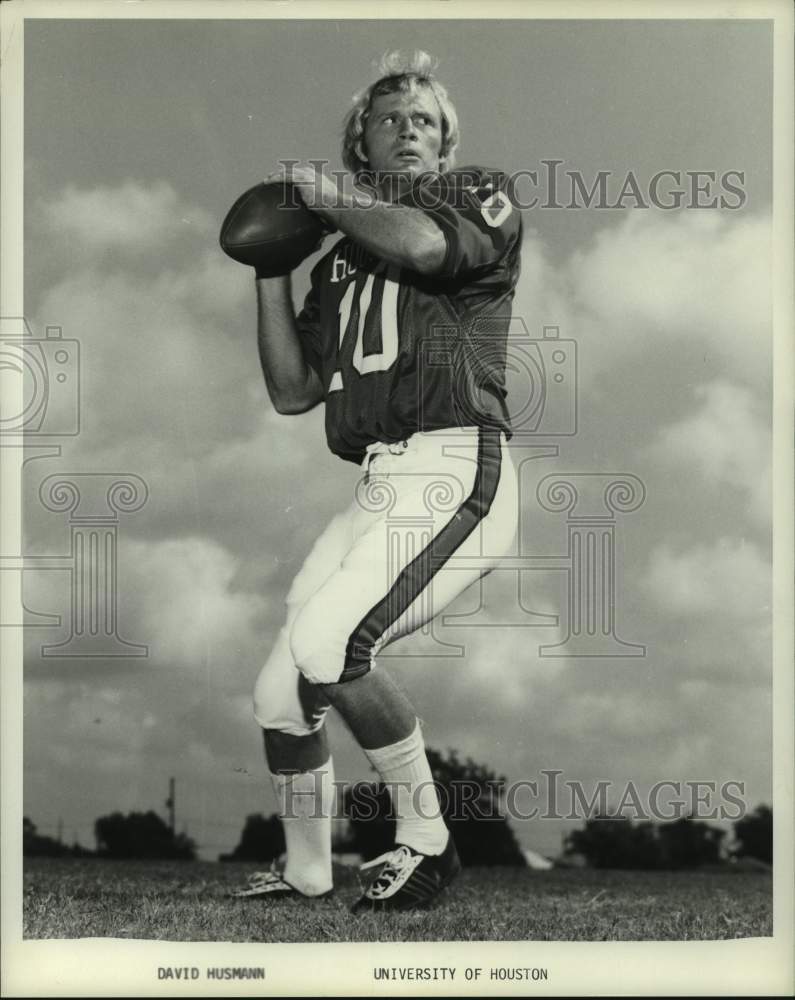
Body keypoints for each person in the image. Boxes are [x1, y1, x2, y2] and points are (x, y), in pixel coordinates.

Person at [233, 50, 522, 912]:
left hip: (453, 461)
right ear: (360, 139)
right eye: (388, 117)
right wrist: (270, 270)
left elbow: (428, 247)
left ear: (444, 146)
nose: (409, 129)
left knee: (331, 646)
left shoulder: (473, 192)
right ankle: (308, 868)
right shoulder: (340, 263)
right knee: (279, 694)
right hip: (376, 481)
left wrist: (316, 192)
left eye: (424, 121)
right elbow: (291, 391)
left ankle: (428, 842)